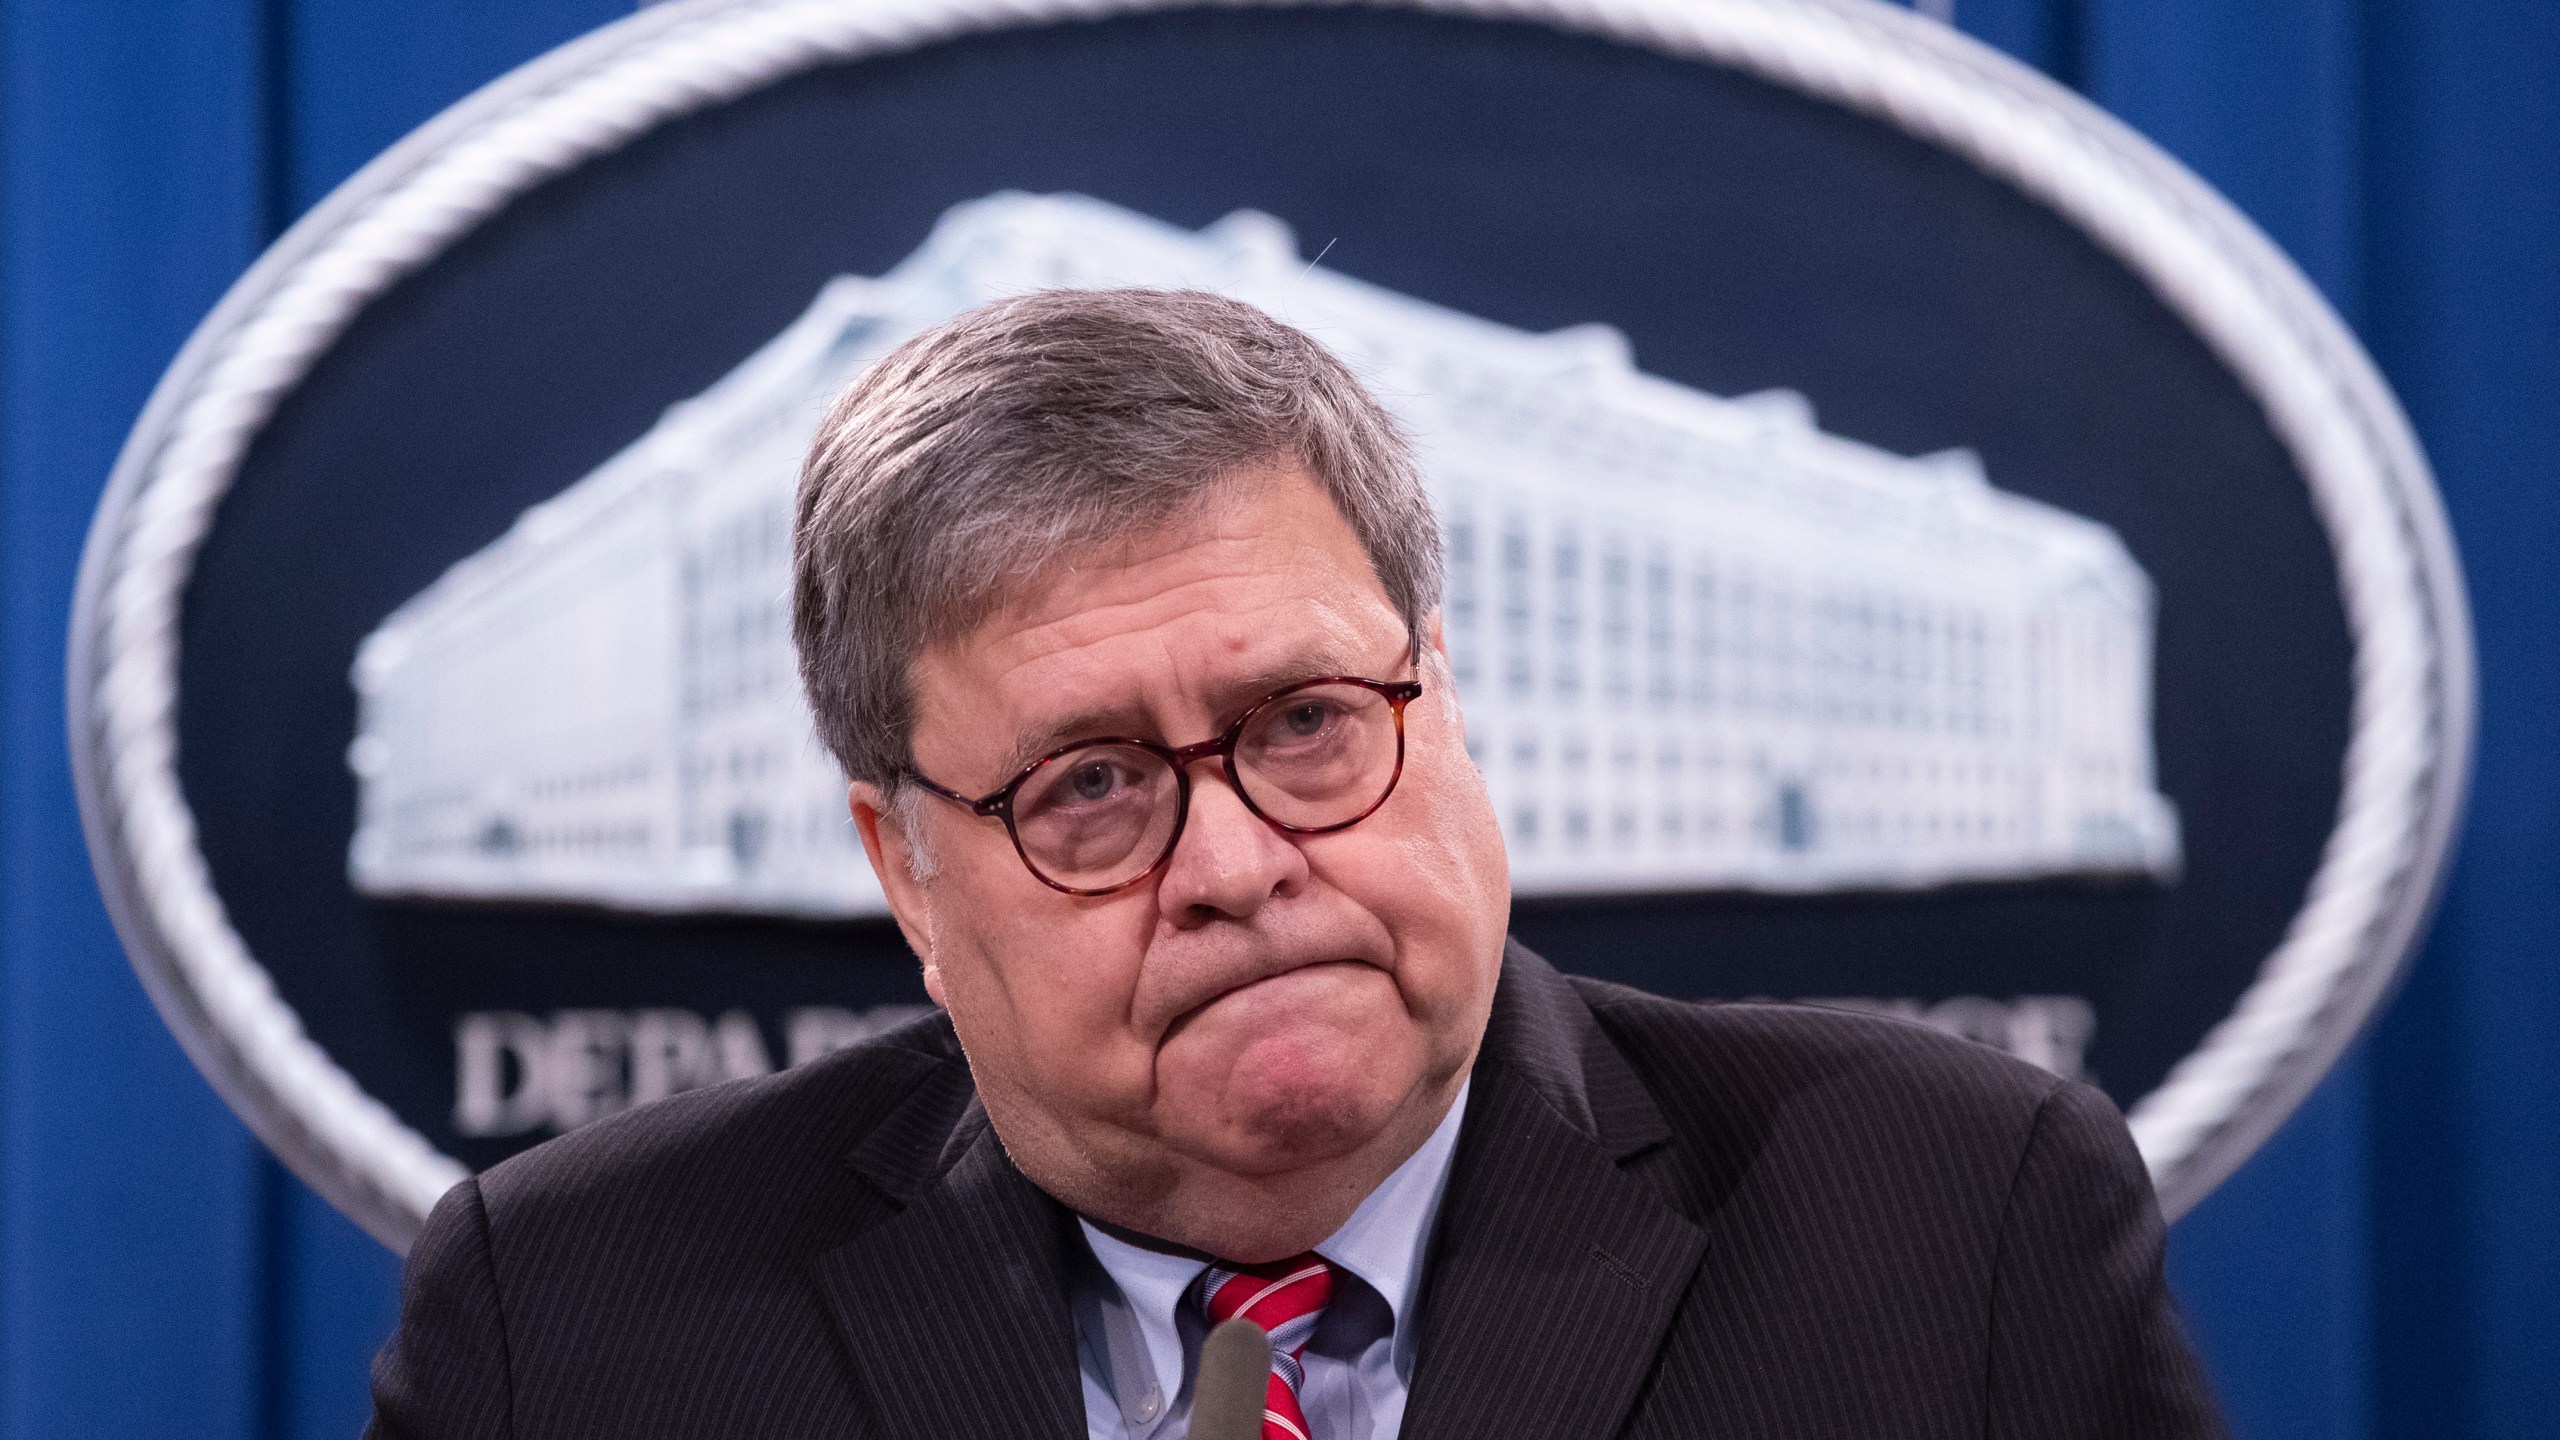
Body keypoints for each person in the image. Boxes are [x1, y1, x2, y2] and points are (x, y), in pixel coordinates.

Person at [368, 289, 2225, 1439]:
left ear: (1445, 698)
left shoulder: (1949, 1222)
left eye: (1306, 724)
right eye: (1091, 785)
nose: (1240, 863)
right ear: (908, 871)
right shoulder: (575, 1321)